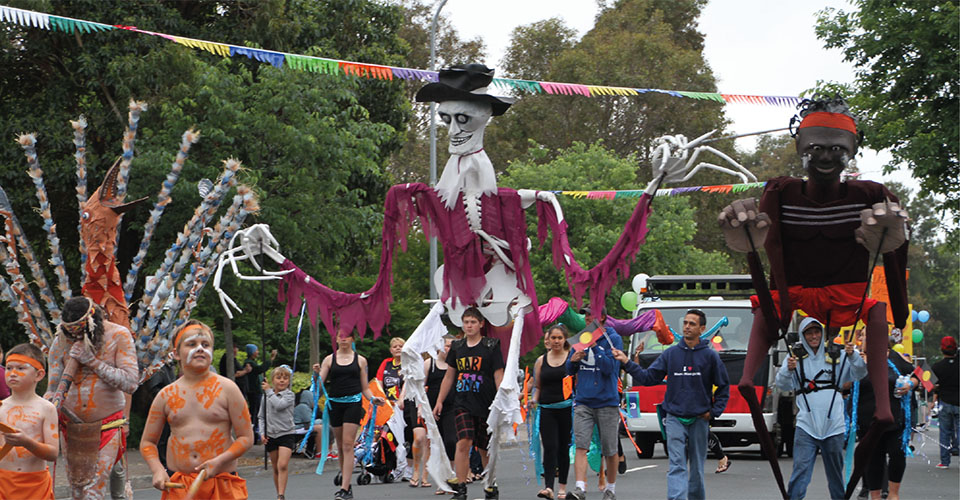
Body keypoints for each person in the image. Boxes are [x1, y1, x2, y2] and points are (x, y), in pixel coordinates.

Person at [718, 96, 909, 499]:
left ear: (853, 152)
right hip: (795, 292)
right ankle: (749, 381)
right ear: (800, 150)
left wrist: (899, 301)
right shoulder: (781, 192)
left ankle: (883, 408)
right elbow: (769, 249)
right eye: (816, 149)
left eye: (838, 150)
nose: (826, 157)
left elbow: (894, 248)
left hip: (848, 294)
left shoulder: (869, 193)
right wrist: (749, 236)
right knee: (765, 308)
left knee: (876, 313)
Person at [615, 309, 729, 500]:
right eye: (685, 323)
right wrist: (627, 362)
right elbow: (649, 377)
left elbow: (723, 387)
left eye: (692, 324)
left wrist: (713, 412)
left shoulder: (710, 356)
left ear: (702, 328)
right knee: (677, 464)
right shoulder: (671, 354)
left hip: (700, 419)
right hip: (675, 417)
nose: (687, 327)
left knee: (697, 469)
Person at [140, 320, 252, 499]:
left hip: (221, 483)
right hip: (180, 485)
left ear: (212, 351)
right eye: (191, 344)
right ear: (176, 354)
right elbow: (147, 442)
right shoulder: (166, 395)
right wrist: (158, 470)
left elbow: (246, 437)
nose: (200, 348)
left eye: (205, 344)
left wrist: (219, 461)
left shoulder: (228, 389)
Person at [44, 297, 138, 500]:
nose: (76, 337)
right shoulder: (61, 340)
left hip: (107, 425)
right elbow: (52, 388)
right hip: (71, 427)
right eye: (72, 333)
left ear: (94, 323)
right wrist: (50, 401)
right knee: (77, 492)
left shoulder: (118, 335)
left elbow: (131, 382)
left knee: (93, 493)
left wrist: (92, 362)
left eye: (80, 332)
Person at [776, 317, 866, 499]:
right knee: (800, 472)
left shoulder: (837, 354)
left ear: (822, 333)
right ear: (803, 335)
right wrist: (788, 370)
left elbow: (860, 373)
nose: (814, 336)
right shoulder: (795, 356)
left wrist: (852, 355)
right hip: (806, 426)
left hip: (834, 426)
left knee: (835, 475)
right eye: (809, 333)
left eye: (817, 331)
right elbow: (782, 385)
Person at [434, 307, 505, 500]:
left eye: (473, 322)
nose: (469, 326)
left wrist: (502, 402)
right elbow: (449, 376)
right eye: (466, 322)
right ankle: (461, 487)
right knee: (463, 442)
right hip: (462, 402)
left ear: (481, 324)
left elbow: (499, 375)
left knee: (484, 448)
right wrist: (439, 400)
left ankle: (490, 484)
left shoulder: (491, 346)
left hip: (486, 403)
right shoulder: (457, 347)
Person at [316, 329, 386, 500]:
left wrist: (373, 399)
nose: (343, 339)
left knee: (348, 444)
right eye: (340, 336)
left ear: (352, 339)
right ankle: (345, 483)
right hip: (334, 404)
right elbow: (319, 385)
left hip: (353, 404)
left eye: (346, 336)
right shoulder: (329, 359)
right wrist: (316, 374)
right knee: (340, 446)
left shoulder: (360, 360)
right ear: (336, 339)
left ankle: (345, 488)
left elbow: (365, 388)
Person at [565, 305, 624, 500]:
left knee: (609, 448)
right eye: (586, 315)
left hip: (607, 402)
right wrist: (573, 360)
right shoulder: (581, 337)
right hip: (583, 401)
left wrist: (595, 347)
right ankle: (580, 488)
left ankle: (611, 489)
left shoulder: (613, 338)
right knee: (581, 445)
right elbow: (568, 369)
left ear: (604, 318)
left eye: (592, 315)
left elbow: (610, 369)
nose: (588, 319)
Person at [857, 331, 919, 500]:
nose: (865, 338)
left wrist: (909, 385)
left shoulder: (895, 357)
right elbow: (845, 386)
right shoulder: (857, 360)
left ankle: (893, 494)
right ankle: (875, 496)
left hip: (894, 419)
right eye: (863, 335)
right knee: (873, 459)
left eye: (868, 334)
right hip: (868, 422)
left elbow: (920, 375)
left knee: (897, 454)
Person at [0, 343, 58, 499]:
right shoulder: (1, 407)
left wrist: (27, 442)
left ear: (38, 375)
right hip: (3, 484)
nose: (12, 373)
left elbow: (53, 453)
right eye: (9, 367)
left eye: (20, 368)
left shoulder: (46, 408)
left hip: (35, 485)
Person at [532, 324, 573, 500]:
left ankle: (562, 487)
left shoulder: (571, 359)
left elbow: (576, 382)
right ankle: (549, 487)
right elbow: (537, 385)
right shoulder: (541, 360)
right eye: (553, 338)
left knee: (563, 448)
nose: (556, 341)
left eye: (559, 338)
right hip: (547, 409)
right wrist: (533, 399)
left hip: (566, 408)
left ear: (565, 340)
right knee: (550, 447)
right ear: (548, 340)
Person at [426, 334, 458, 495]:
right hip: (432, 409)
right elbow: (419, 386)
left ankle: (450, 476)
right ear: (440, 346)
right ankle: (440, 481)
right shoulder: (429, 364)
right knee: (437, 445)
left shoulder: (456, 365)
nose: (449, 349)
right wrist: (421, 407)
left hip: (452, 407)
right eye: (447, 345)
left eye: (452, 346)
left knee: (451, 441)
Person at [259, 364, 297, 500]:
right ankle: (279, 492)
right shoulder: (266, 397)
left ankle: (281, 495)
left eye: (285, 378)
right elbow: (261, 416)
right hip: (271, 435)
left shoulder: (290, 395)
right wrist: (262, 433)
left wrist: (269, 391)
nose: (282, 380)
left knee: (282, 464)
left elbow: (279, 405)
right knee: (275, 467)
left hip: (286, 433)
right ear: (273, 380)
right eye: (279, 378)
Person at [241, 343, 277, 444]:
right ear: (252, 352)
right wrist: (271, 359)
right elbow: (259, 369)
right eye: (256, 350)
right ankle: (254, 434)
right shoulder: (249, 363)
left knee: (257, 412)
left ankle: (256, 433)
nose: (257, 352)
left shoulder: (252, 362)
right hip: (254, 391)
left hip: (256, 391)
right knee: (255, 413)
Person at [933, 336, 959, 468]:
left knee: (944, 432)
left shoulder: (937, 367)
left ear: (941, 349)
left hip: (944, 402)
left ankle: (944, 461)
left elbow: (930, 385)